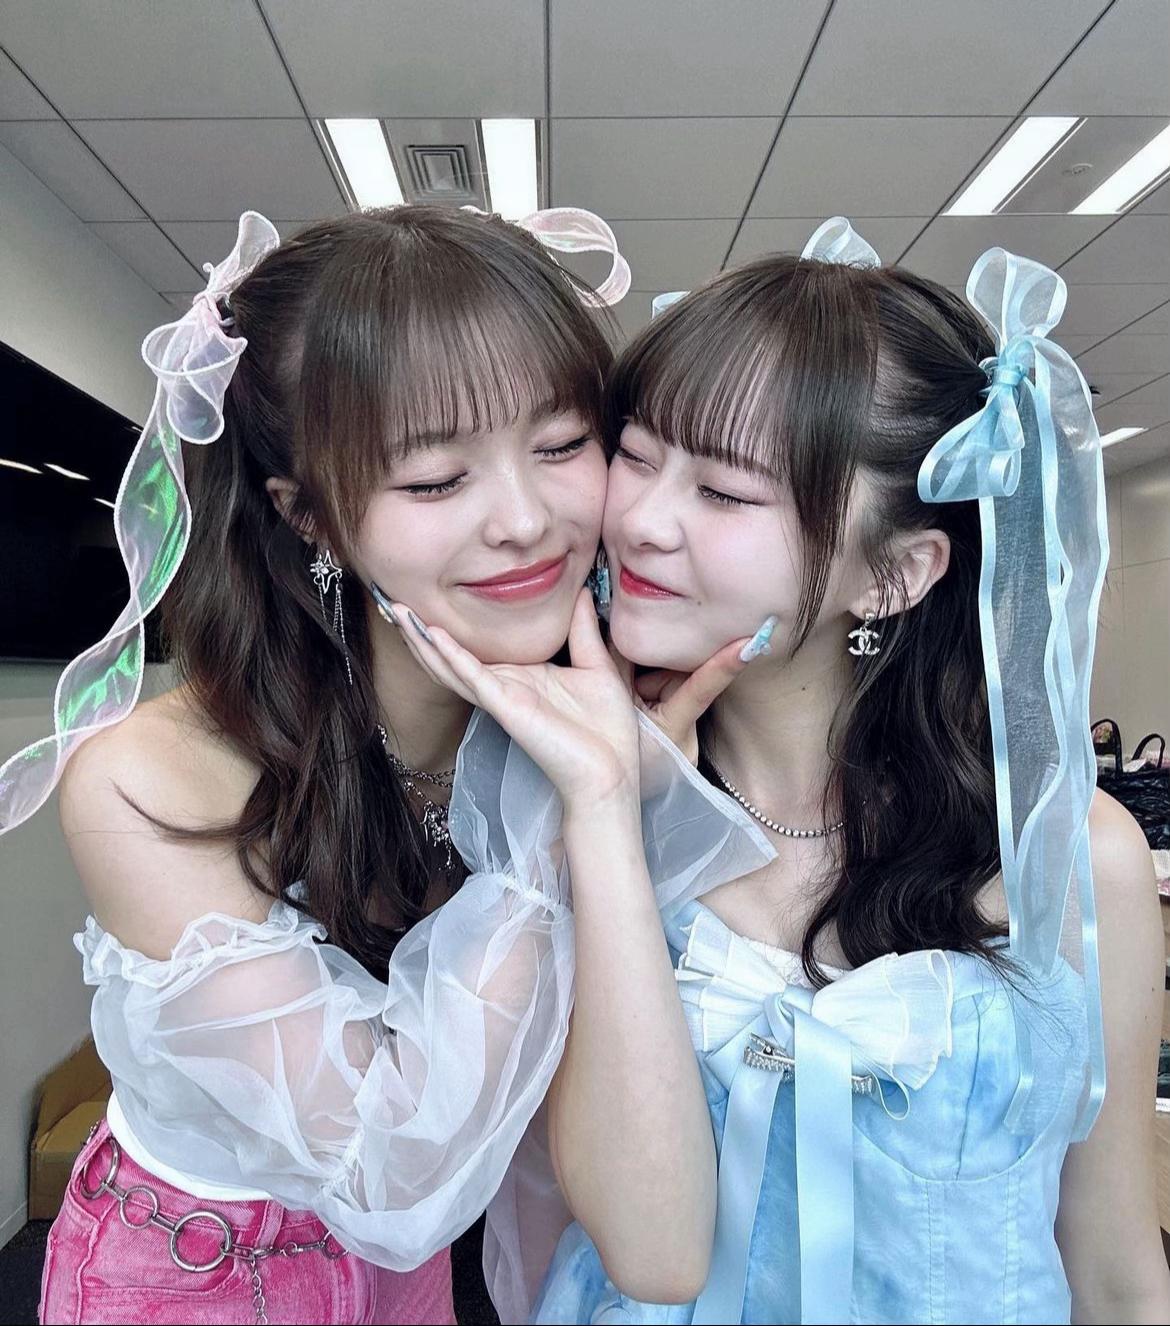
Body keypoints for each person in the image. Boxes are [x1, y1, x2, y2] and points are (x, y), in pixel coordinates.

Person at [2, 205, 769, 1325]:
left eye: (562, 446)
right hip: (197, 1272)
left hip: (424, 1279)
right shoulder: (147, 779)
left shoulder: (591, 706)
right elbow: (389, 1172)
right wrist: (579, 807)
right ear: (309, 514)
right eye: (434, 479)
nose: (526, 522)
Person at [526, 221, 1170, 1324]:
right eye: (635, 454)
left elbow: (1112, 1259)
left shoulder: (1068, 857)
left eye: (725, 493)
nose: (639, 522)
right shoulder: (578, 799)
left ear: (894, 575)